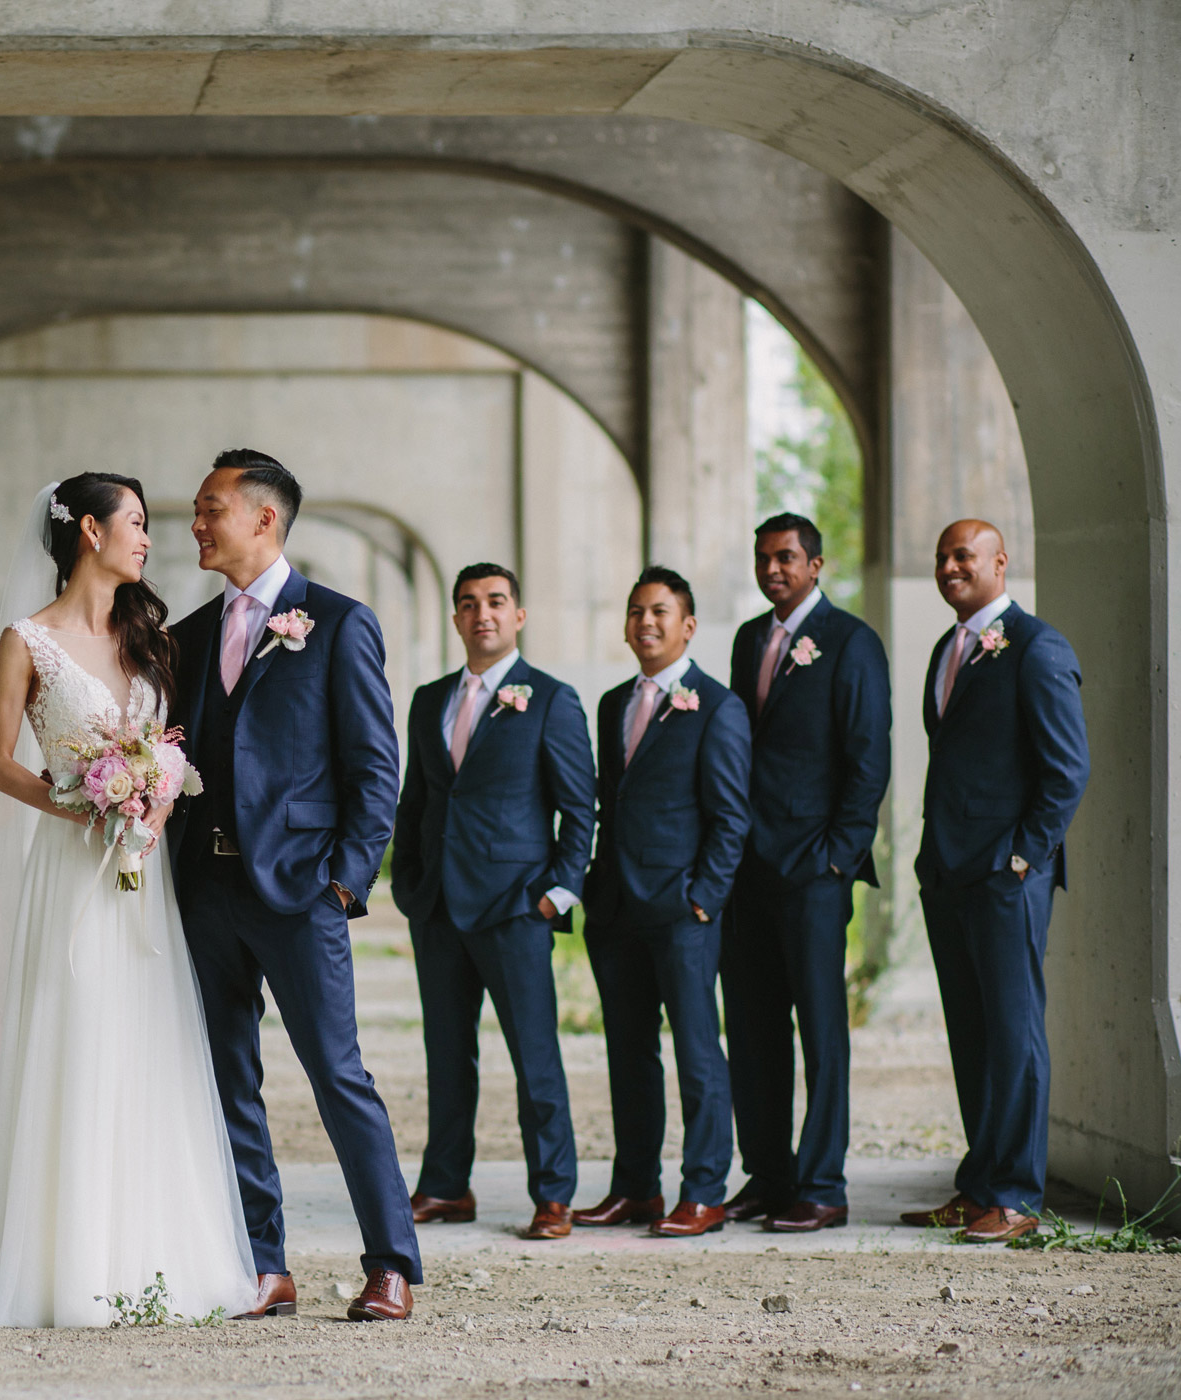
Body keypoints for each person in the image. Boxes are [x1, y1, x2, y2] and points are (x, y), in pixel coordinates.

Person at [0, 473, 256, 1328]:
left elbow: (169, 746)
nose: (149, 538)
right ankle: (66, 1266)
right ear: (88, 531)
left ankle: (160, 1260)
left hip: (143, 866)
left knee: (149, 1038)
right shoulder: (27, 639)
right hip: (72, 860)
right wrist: (79, 800)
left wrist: (152, 798)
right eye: (135, 523)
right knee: (78, 1033)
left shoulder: (149, 633)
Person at [169, 449, 421, 1321]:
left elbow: (375, 769)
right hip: (205, 894)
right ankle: (264, 1264)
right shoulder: (188, 637)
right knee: (226, 1079)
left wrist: (345, 884)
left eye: (211, 509)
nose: (196, 524)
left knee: (337, 1075)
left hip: (302, 893)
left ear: (263, 519)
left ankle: (390, 1262)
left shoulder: (340, 624)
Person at [391, 563, 595, 1242]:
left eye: (497, 602)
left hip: (514, 908)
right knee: (447, 1057)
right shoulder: (428, 700)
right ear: (456, 618)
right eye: (470, 604)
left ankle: (554, 1194)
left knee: (535, 1058)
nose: (484, 613)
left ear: (519, 616)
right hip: (439, 908)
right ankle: (447, 1186)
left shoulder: (552, 699)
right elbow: (416, 799)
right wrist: (409, 883)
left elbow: (579, 810)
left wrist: (553, 897)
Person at [898, 520, 1088, 1243]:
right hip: (948, 874)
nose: (950, 566)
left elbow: (1066, 770)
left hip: (1006, 878)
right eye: (942, 556)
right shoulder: (948, 649)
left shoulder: (1037, 647)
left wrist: (1021, 858)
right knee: (972, 1035)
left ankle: (1014, 1195)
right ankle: (978, 1185)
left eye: (964, 556)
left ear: (999, 563)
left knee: (1014, 1036)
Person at [721, 516, 890, 1232]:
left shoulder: (851, 642)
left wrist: (836, 858)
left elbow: (868, 758)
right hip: (747, 871)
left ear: (816, 564)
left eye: (786, 557)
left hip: (815, 870)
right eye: (764, 558)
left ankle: (822, 1186)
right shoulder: (748, 640)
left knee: (821, 1031)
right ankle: (769, 1175)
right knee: (753, 1031)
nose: (773, 569)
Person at [576, 566, 750, 1238]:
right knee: (629, 1052)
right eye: (635, 611)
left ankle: (704, 1190)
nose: (645, 623)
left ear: (688, 626)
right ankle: (636, 1188)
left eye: (659, 612)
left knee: (698, 1053)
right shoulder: (613, 702)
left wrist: (703, 899)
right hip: (616, 908)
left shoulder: (718, 706)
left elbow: (731, 817)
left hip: (683, 912)